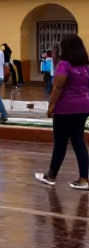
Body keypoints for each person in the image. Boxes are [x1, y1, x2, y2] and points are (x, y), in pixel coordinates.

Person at [36, 34, 89, 189]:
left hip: (66, 109)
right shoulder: (86, 66)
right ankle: (84, 179)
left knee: (60, 143)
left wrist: (51, 107)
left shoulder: (64, 65)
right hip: (84, 107)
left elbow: (58, 86)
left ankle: (51, 176)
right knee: (79, 142)